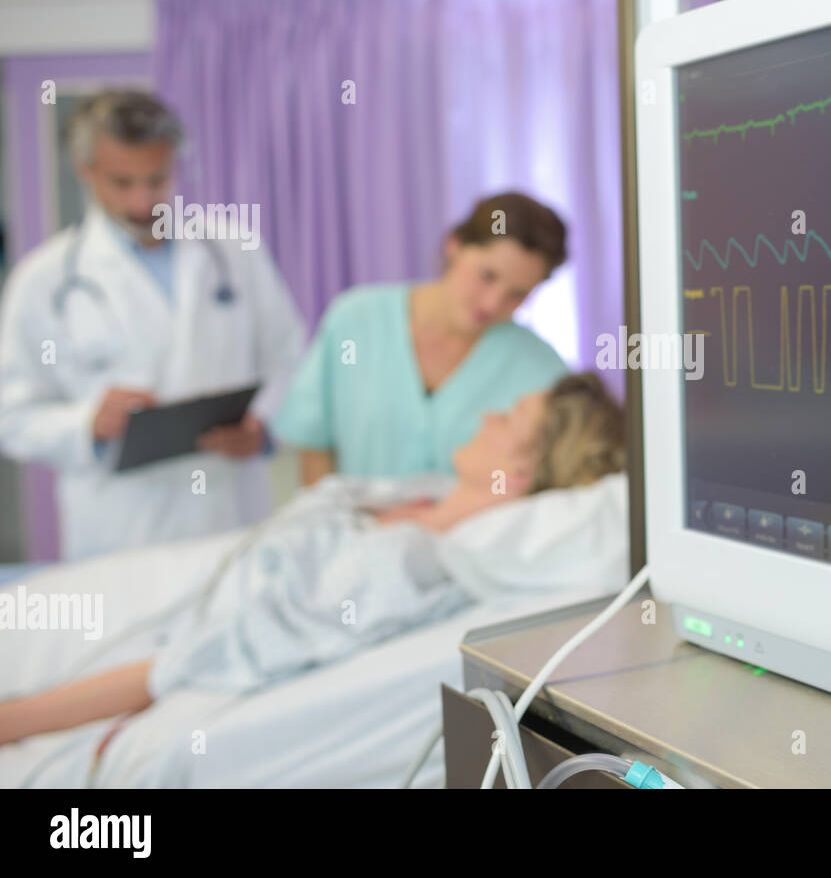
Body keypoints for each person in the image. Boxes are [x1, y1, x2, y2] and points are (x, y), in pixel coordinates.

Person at [0, 373, 625, 745]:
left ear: (518, 473)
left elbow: (212, 652)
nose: (487, 414)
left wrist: (19, 720)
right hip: (165, 603)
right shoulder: (416, 494)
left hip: (149, 662)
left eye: (508, 418)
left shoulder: (409, 560)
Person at [0, 91, 306, 560]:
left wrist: (263, 426)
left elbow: (288, 359)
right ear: (86, 171)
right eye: (122, 183)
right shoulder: (45, 280)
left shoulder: (233, 251)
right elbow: (12, 415)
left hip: (227, 512)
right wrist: (87, 423)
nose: (143, 201)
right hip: (121, 526)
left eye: (157, 180)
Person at [272, 192, 570, 485]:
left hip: (479, 534)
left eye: (517, 294)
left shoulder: (541, 370)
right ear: (455, 245)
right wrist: (328, 527)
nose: (492, 304)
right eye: (487, 276)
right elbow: (315, 445)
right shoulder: (355, 322)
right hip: (356, 530)